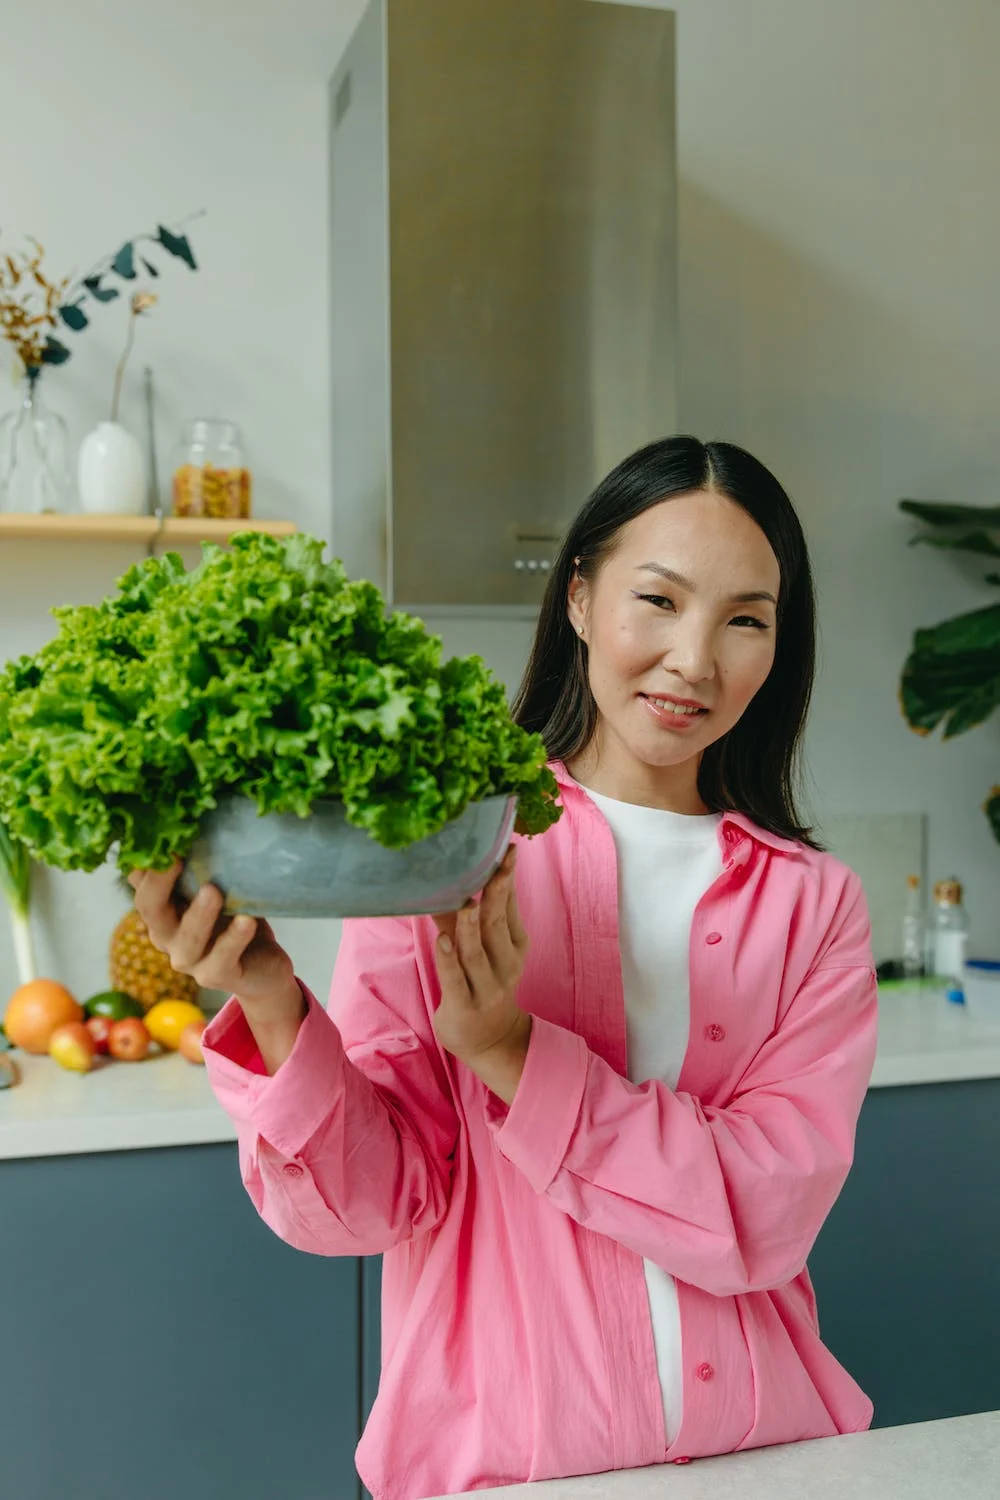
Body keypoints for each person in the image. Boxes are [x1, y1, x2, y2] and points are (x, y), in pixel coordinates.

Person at [128, 435, 878, 1500]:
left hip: (773, 1454)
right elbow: (367, 1208)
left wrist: (512, 1055)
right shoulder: (446, 851)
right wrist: (267, 1000)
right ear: (578, 597)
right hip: (508, 1467)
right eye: (656, 600)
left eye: (744, 619)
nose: (694, 659)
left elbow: (764, 1213)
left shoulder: (813, 904)